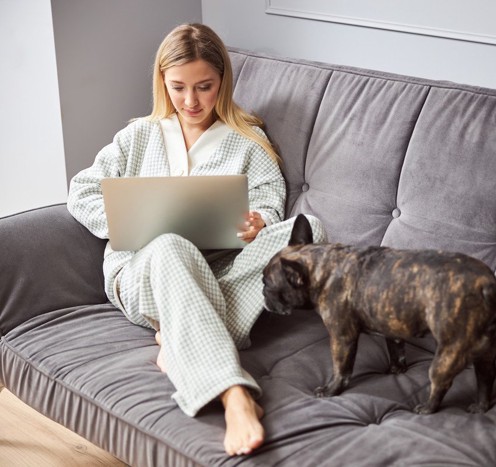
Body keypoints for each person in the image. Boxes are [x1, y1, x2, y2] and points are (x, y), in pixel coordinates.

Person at [66, 23, 325, 456]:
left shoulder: (248, 141)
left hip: (220, 266)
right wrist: (128, 222)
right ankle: (233, 394)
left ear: (222, 81)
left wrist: (258, 221)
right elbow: (82, 190)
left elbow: (269, 204)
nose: (191, 101)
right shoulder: (138, 137)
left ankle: (178, 330)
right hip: (143, 270)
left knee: (310, 231)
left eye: (204, 87)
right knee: (169, 244)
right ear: (162, 84)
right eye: (178, 88)